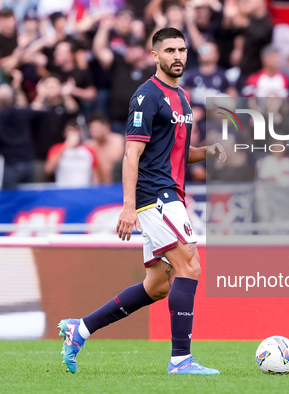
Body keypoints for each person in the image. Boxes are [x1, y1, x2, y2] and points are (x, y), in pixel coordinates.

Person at [58, 27, 226, 375]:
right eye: (169, 51)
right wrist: (127, 206)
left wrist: (207, 152)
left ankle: (81, 329)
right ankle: (181, 360)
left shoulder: (182, 98)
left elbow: (174, 154)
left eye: (182, 50)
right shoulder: (146, 96)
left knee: (158, 285)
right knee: (190, 266)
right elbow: (131, 155)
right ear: (155, 56)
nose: (177, 56)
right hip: (156, 196)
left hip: (169, 191)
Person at [45, 120, 101, 188]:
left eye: (76, 130)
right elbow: (48, 169)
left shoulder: (89, 150)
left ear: (80, 133)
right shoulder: (56, 148)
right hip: (63, 191)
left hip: (84, 191)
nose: (73, 133)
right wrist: (65, 147)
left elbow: (95, 175)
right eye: (70, 130)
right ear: (65, 133)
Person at [85, 110, 125, 183]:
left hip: (118, 186)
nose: (93, 131)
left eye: (96, 127)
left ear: (106, 127)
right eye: (91, 128)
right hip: (99, 189)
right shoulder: (88, 146)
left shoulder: (120, 141)